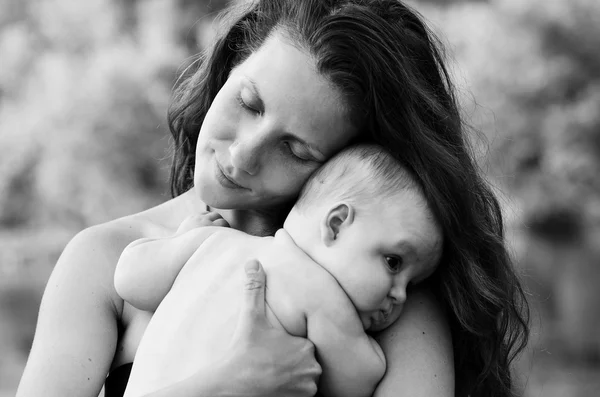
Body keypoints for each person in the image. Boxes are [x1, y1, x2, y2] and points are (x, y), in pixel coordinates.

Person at [16, 1, 529, 397]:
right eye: (248, 102)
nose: (242, 155)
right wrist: (226, 384)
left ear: (342, 167)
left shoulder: (380, 293)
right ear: (229, 68)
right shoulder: (103, 260)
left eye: (295, 149)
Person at [115, 144, 443, 397]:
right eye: (393, 263)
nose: (400, 294)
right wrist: (365, 340)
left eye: (411, 283)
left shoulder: (216, 242)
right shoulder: (320, 297)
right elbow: (358, 381)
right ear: (336, 225)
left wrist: (183, 236)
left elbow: (129, 279)